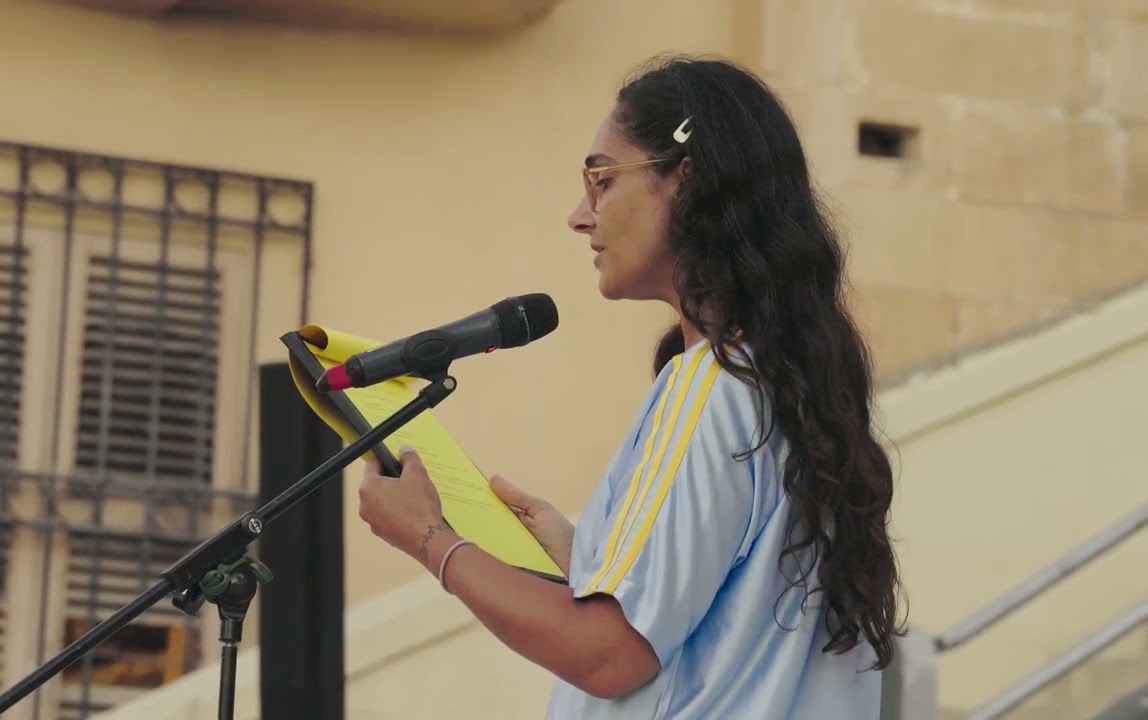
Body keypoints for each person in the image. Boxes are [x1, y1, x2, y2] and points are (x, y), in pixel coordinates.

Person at [357, 54, 904, 719]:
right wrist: (586, 554)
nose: (580, 216)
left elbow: (608, 655)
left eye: (601, 178)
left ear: (686, 182)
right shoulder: (783, 387)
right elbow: (726, 626)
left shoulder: (711, 388)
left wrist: (428, 537)